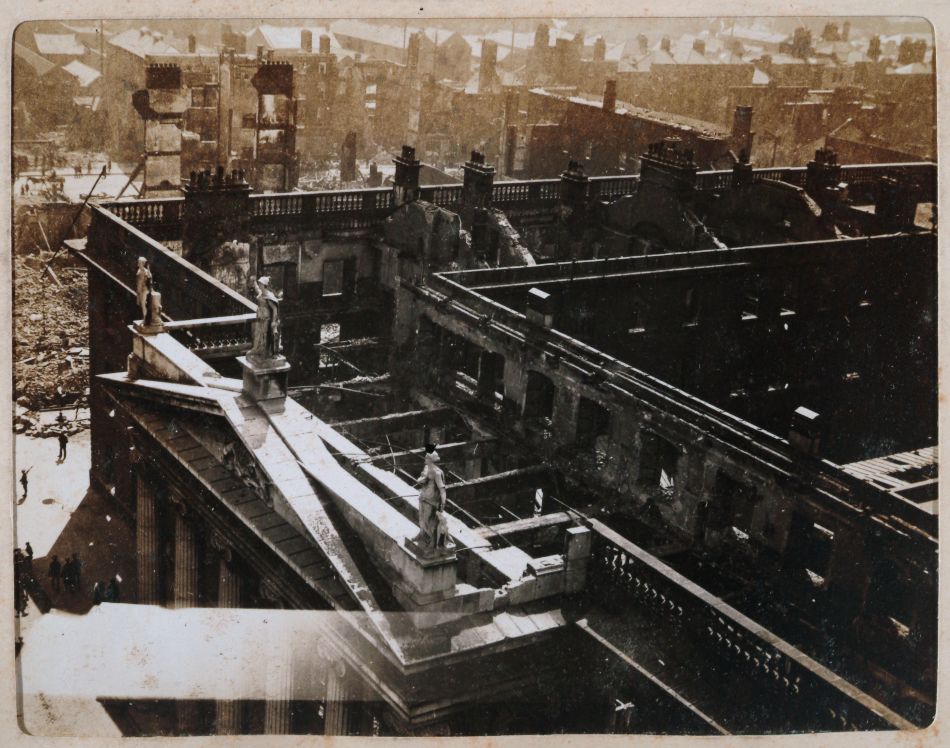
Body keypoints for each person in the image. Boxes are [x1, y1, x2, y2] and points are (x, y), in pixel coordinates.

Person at [413, 444, 447, 550]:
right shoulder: (427, 468)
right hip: (423, 496)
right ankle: (421, 534)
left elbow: (442, 489)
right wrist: (421, 480)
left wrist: (443, 502)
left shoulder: (437, 473)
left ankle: (431, 542)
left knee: (428, 520)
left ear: (430, 460)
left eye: (426, 458)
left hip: (431, 500)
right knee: (421, 517)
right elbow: (422, 479)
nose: (425, 459)